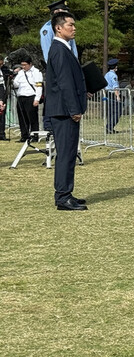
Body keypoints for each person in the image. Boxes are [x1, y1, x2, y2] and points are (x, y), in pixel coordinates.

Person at [45, 12, 88, 210]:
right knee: (66, 154)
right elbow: (64, 83)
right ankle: (62, 197)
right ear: (58, 28)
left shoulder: (63, 48)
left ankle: (66, 193)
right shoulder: (59, 50)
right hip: (63, 111)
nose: (74, 28)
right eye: (70, 24)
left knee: (69, 153)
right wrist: (74, 109)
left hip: (64, 110)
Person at [13, 56, 42, 142]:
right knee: (22, 117)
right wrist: (13, 77)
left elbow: (39, 87)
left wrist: (37, 99)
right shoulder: (20, 73)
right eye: (22, 65)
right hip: (21, 96)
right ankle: (24, 135)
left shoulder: (36, 72)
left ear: (30, 64)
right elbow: (16, 85)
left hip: (31, 96)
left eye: (25, 65)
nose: (23, 67)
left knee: (32, 118)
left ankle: (34, 136)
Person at [103, 58, 122, 134]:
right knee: (117, 112)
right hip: (113, 94)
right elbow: (115, 87)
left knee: (110, 112)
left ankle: (109, 128)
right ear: (115, 67)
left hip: (107, 94)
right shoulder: (114, 75)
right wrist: (117, 96)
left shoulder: (107, 74)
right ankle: (110, 127)